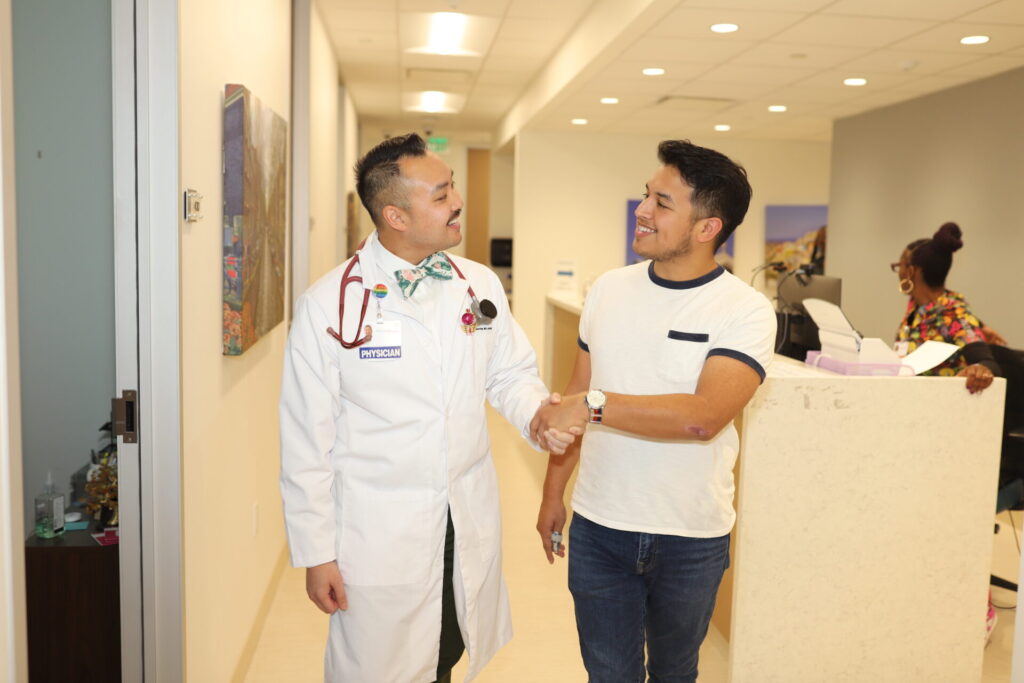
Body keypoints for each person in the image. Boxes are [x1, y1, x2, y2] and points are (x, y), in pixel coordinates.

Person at [279, 133, 574, 683]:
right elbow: (304, 444)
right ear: (395, 214)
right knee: (382, 665)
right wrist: (316, 553)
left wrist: (538, 415)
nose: (457, 201)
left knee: (444, 652)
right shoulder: (329, 305)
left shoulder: (476, 286)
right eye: (440, 194)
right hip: (378, 530)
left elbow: (508, 373)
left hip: (462, 517)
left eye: (453, 186)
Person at [531, 140, 777, 682]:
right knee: (609, 675)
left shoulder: (746, 311)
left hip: (690, 536)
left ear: (707, 227)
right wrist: (553, 494)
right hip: (600, 526)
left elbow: (703, 417)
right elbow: (576, 392)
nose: (642, 211)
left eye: (662, 203)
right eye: (647, 195)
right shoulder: (607, 291)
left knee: (674, 673)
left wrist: (593, 406)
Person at [891, 222, 997, 394]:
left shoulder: (953, 313)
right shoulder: (916, 308)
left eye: (900, 265)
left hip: (942, 409)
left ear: (912, 271)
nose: (898, 272)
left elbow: (986, 362)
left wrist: (979, 370)